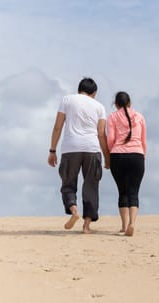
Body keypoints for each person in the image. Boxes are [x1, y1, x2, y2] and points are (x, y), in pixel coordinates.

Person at [47, 77, 110, 234]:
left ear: (79, 89)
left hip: (70, 148)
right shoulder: (100, 107)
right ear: (94, 92)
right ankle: (86, 226)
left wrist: (52, 150)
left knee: (68, 184)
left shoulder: (67, 100)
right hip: (92, 148)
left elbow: (57, 127)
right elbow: (102, 134)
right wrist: (107, 157)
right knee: (91, 186)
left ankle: (74, 210)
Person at [107, 91, 147, 236]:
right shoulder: (140, 117)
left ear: (115, 104)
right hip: (137, 155)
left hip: (118, 156)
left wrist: (111, 153)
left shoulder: (112, 117)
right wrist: (143, 155)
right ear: (130, 102)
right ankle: (132, 223)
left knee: (122, 191)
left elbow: (110, 139)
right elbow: (143, 140)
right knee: (134, 192)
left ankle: (124, 226)